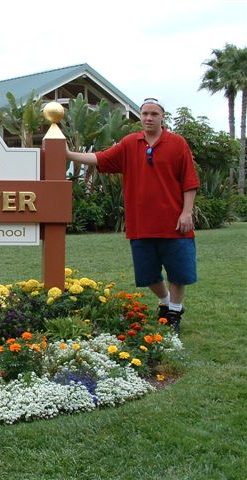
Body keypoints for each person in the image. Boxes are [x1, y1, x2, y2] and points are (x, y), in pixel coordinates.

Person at [66, 97, 199, 334]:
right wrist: (68, 154)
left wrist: (186, 212)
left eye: (154, 114)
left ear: (162, 117)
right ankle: (166, 302)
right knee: (148, 275)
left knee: (179, 273)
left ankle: (174, 314)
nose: (149, 118)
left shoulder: (177, 143)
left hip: (174, 223)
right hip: (141, 223)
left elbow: (189, 180)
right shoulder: (130, 143)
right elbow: (100, 158)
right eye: (145, 113)